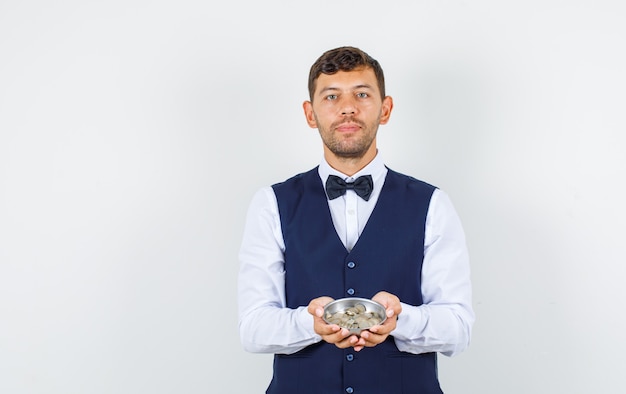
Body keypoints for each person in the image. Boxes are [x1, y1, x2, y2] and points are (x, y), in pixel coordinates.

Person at [238, 46, 474, 394]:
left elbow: (458, 327)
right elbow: (252, 328)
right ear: (310, 113)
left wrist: (401, 320)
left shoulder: (433, 204)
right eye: (331, 96)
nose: (348, 107)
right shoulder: (271, 203)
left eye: (362, 94)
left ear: (385, 108)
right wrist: (310, 323)